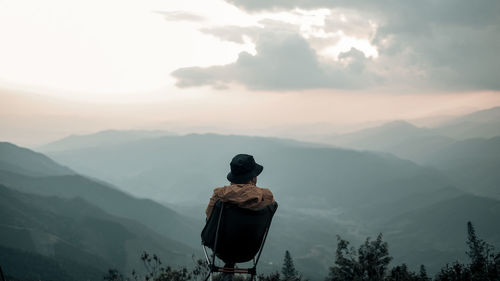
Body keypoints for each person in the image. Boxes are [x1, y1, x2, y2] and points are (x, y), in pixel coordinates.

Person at [205, 153, 275, 219]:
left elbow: (209, 219)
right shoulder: (266, 197)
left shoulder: (219, 196)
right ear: (253, 178)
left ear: (233, 178)